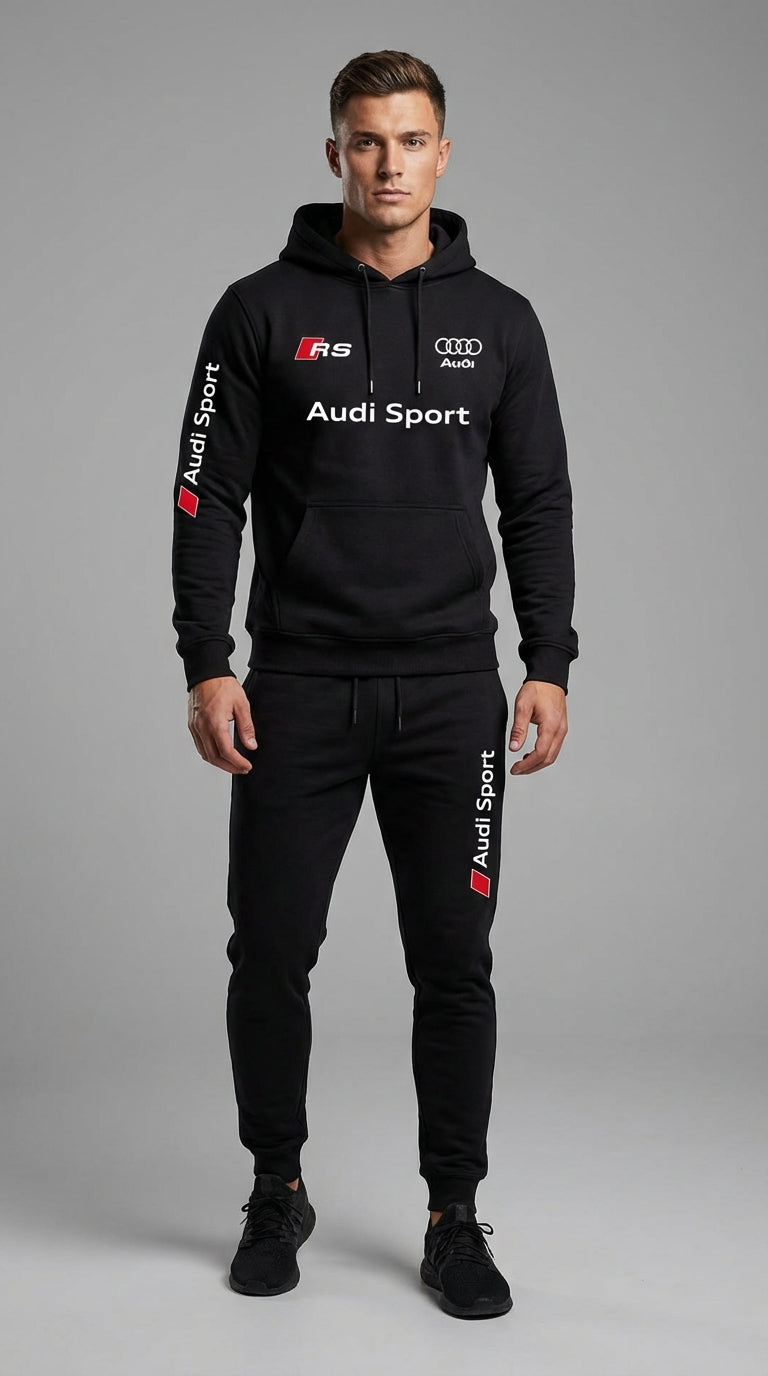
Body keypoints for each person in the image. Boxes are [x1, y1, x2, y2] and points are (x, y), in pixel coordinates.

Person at [171, 49, 578, 1320]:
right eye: (366, 140)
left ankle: (455, 1213)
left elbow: (538, 500)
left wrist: (548, 661)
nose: (388, 164)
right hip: (298, 685)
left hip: (453, 690)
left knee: (454, 960)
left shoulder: (501, 321)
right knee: (269, 951)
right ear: (334, 152)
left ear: (443, 153)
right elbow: (205, 492)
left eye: (410, 140)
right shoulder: (255, 310)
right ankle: (276, 1186)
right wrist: (207, 659)